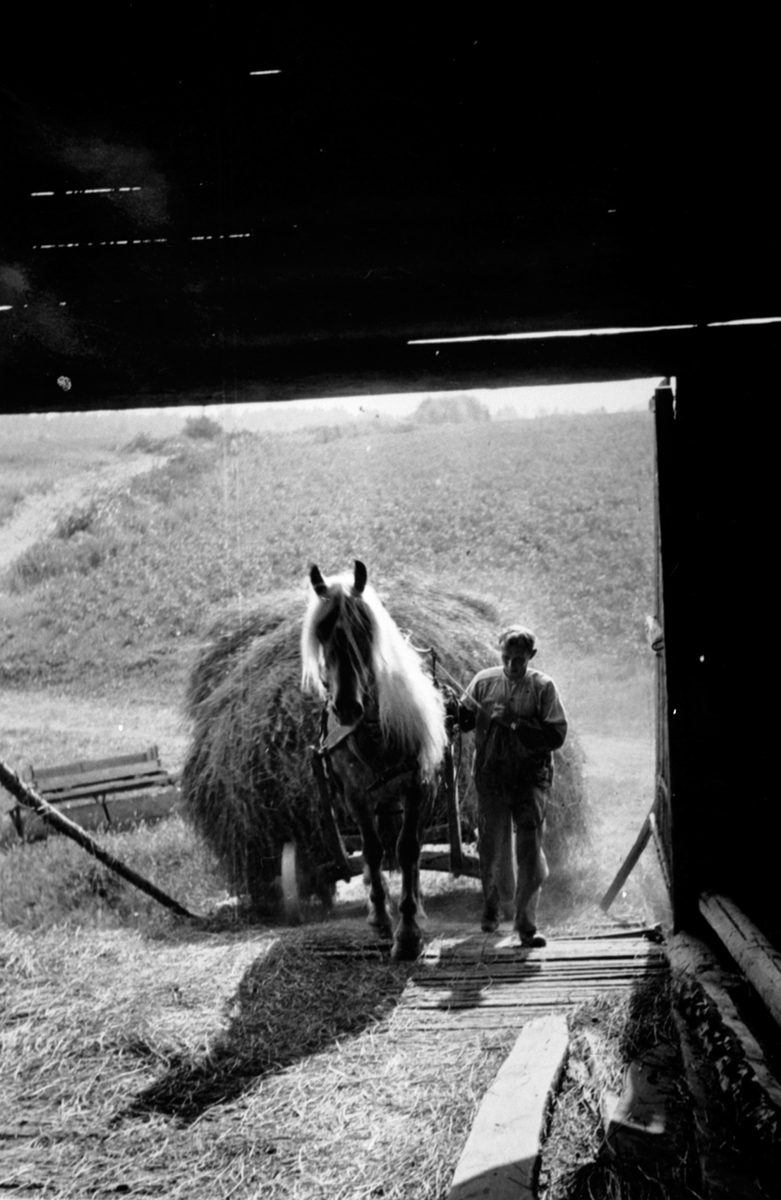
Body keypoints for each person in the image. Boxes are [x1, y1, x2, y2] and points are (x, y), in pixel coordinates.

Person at [450, 626, 568, 946]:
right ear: (499, 653)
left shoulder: (543, 687)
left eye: (519, 659)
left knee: (528, 849)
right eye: (506, 657)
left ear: (531, 656)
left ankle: (526, 924)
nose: (512, 665)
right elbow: (465, 720)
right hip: (491, 778)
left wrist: (514, 722)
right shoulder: (484, 681)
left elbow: (555, 736)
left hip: (530, 779)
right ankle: (491, 908)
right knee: (491, 847)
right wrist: (454, 712)